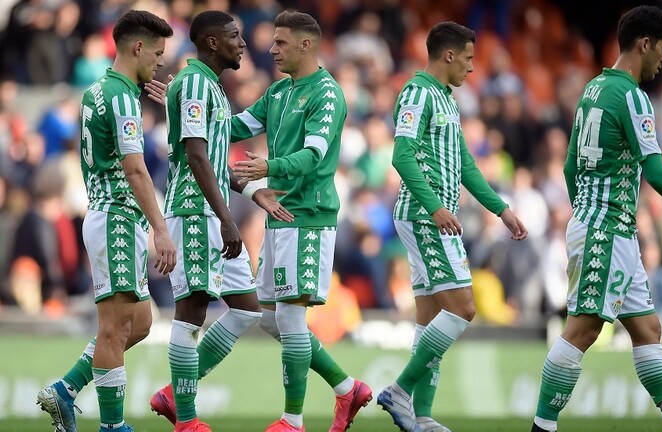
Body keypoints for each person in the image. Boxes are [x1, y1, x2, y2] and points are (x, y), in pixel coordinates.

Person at [529, 6, 662, 432]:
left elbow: (570, 168)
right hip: (606, 231)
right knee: (582, 330)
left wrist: (585, 212)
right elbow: (655, 172)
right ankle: (542, 427)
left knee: (646, 328)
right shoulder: (631, 96)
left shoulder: (593, 88)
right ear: (644, 43)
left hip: (609, 229)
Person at [374, 21, 528, 432]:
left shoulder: (446, 98)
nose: (472, 67)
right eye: (468, 58)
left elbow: (466, 166)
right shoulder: (417, 92)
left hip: (433, 216)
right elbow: (401, 156)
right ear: (449, 54)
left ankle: (422, 416)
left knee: (431, 317)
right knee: (463, 308)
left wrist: (501, 209)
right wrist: (436, 207)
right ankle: (401, 391)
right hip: (425, 216)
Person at [145, 10, 293, 432]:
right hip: (195, 211)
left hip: (212, 211)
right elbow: (196, 156)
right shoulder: (195, 82)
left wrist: (250, 193)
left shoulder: (206, 85)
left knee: (247, 310)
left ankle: (175, 394)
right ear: (212, 42)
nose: (242, 43)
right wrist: (228, 218)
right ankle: (186, 419)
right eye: (233, 36)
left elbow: (209, 156)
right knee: (191, 309)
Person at [232, 10, 372, 432]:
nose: (272, 49)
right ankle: (347, 388)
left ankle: (292, 420)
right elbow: (234, 127)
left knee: (291, 318)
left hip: (308, 216)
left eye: (281, 42)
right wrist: (187, 109)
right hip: (279, 215)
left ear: (306, 44)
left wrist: (268, 167)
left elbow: (313, 156)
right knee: (269, 317)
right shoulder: (278, 92)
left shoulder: (326, 94)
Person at [36, 10, 176, 432]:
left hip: (112, 217)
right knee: (115, 329)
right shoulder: (120, 97)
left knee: (142, 322)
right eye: (157, 53)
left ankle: (66, 389)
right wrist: (161, 228)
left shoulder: (98, 90)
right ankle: (112, 426)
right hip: (116, 217)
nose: (160, 62)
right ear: (138, 47)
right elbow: (135, 168)